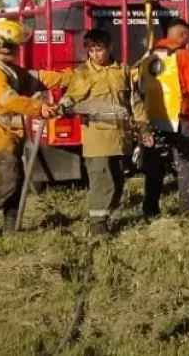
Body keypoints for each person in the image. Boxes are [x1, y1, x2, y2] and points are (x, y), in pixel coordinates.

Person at [0, 18, 73, 237]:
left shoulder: (10, 70)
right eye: (14, 46)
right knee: (10, 179)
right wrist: (39, 108)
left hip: (10, 136)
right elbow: (10, 100)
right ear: (2, 47)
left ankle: (11, 224)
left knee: (16, 179)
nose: (18, 50)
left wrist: (69, 77)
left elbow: (37, 78)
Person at [59, 29, 151, 236]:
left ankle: (106, 215)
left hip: (120, 139)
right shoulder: (83, 73)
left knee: (117, 182)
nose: (95, 54)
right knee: (102, 181)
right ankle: (97, 225)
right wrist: (62, 107)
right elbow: (70, 98)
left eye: (99, 49)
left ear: (109, 47)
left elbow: (134, 102)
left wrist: (144, 127)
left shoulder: (123, 71)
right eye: (91, 50)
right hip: (96, 139)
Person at [134, 18, 189, 217]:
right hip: (179, 119)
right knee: (184, 165)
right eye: (188, 36)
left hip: (152, 120)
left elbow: (139, 88)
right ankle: (187, 210)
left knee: (154, 168)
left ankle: (150, 210)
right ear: (182, 35)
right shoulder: (184, 55)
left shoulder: (148, 56)